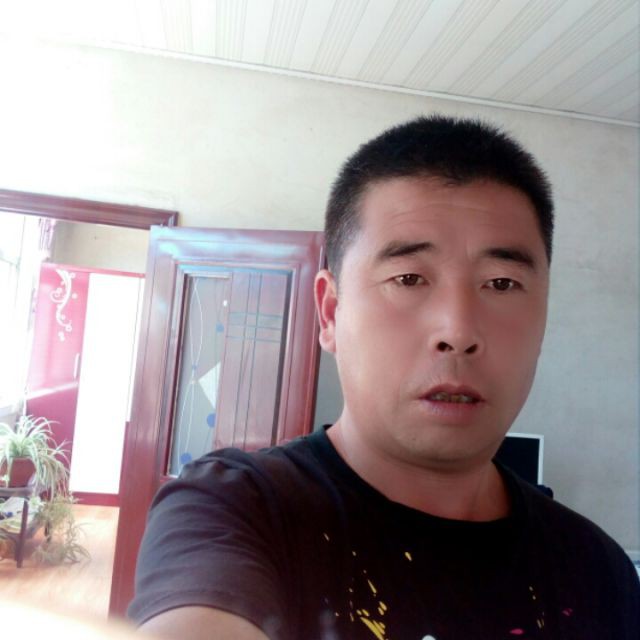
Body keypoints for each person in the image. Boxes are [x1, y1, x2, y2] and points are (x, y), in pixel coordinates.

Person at [129, 115, 640, 640]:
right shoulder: (239, 512)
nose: (458, 331)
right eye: (409, 278)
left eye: (502, 283)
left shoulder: (599, 571)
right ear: (330, 312)